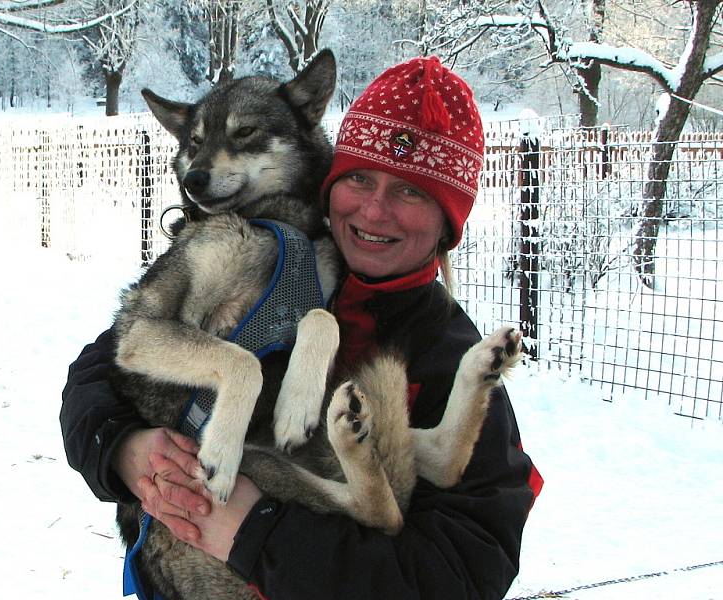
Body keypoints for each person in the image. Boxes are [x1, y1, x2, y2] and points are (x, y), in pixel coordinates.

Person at [61, 55, 543, 599]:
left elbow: (462, 577)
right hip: (175, 557)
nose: (376, 211)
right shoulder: (287, 260)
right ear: (333, 181)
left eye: (410, 191)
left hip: (259, 556)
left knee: (378, 404)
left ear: (448, 220)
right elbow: (104, 367)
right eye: (359, 178)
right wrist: (124, 448)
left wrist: (255, 533)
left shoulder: (441, 352)